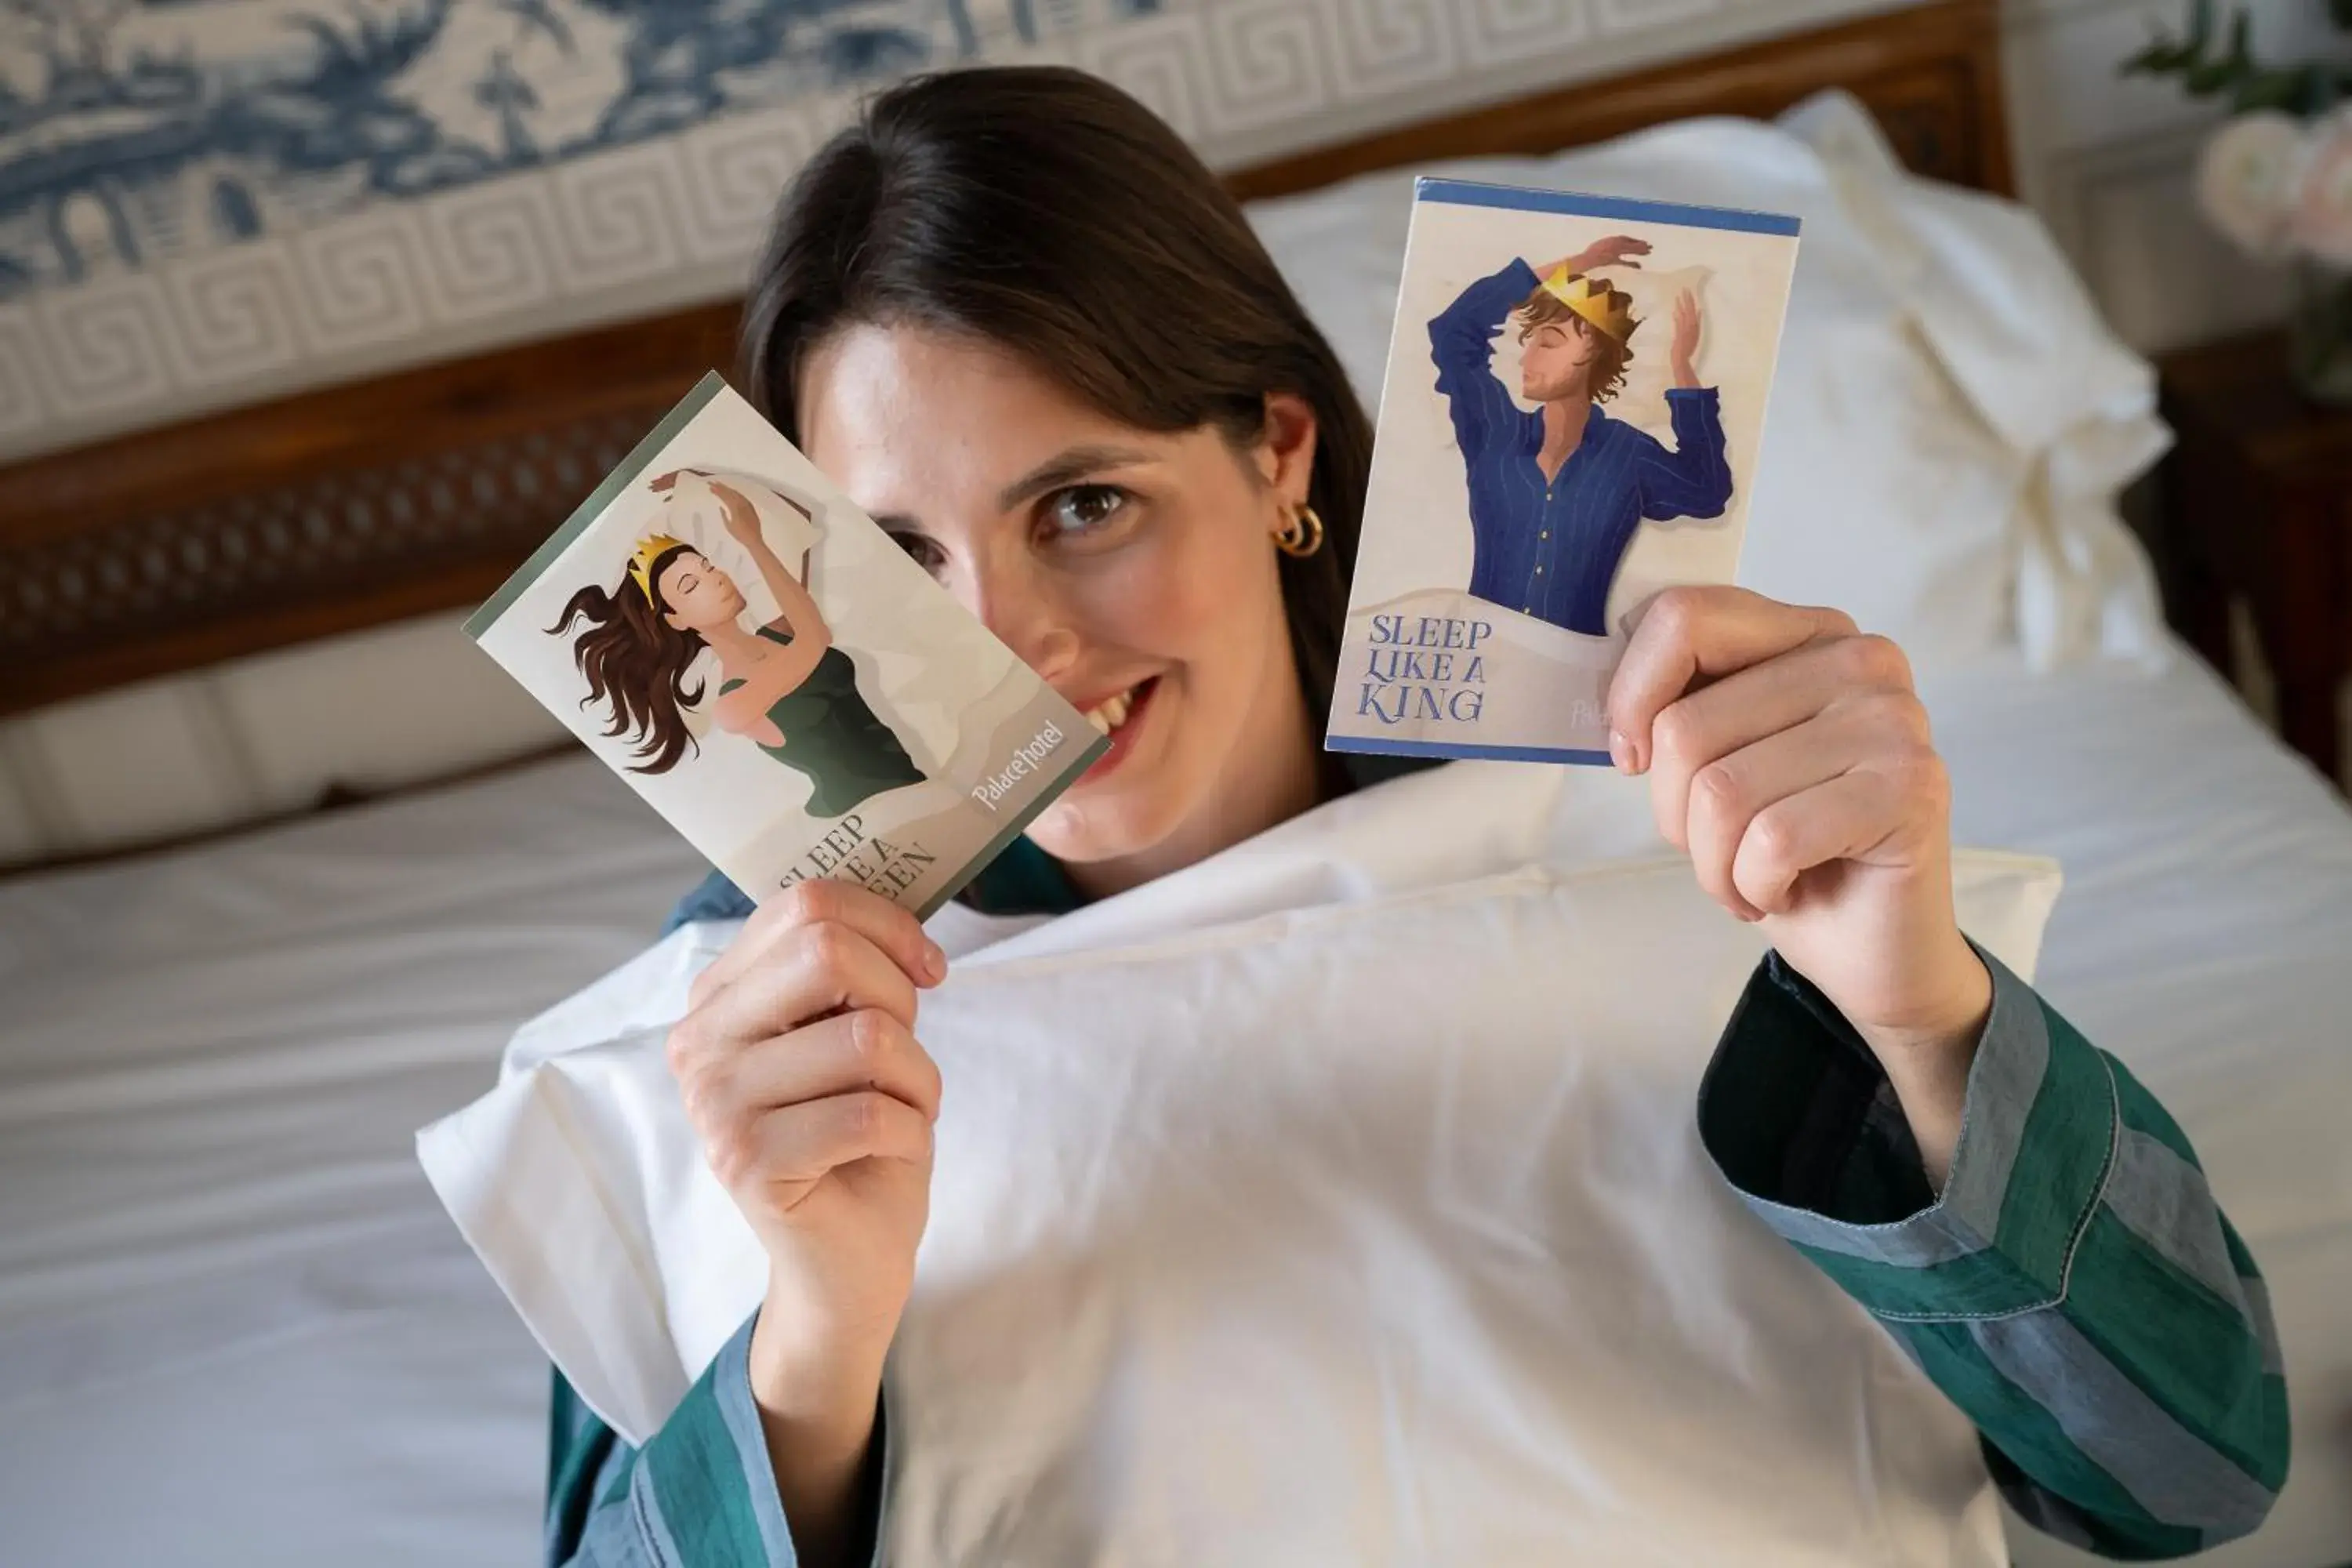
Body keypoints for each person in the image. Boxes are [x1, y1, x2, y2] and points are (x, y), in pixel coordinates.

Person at [543, 67, 2285, 1566]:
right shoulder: (745, 1033)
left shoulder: (1674, 819)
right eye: (902, 555)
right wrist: (817, 1341)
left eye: (1082, 505)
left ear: (1278, 454)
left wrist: (1914, 1018)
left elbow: (2190, 1474)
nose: (1011, 646)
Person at [548, 470, 925, 819]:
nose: (716, 578)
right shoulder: (732, 706)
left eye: (709, 566)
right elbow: (815, 641)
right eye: (691, 585)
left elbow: (799, 526)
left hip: (914, 788)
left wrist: (704, 481)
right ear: (676, 620)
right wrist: (752, 540)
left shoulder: (780, 630)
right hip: (863, 817)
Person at [1430, 238, 1733, 636]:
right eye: (1529, 342)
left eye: (1549, 342)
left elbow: (1707, 492)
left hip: (1577, 666)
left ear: (1594, 354)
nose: (1527, 358)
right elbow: (1454, 332)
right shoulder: (1494, 430)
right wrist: (1580, 262)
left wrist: (1682, 368)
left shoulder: (1628, 455)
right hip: (1480, 658)